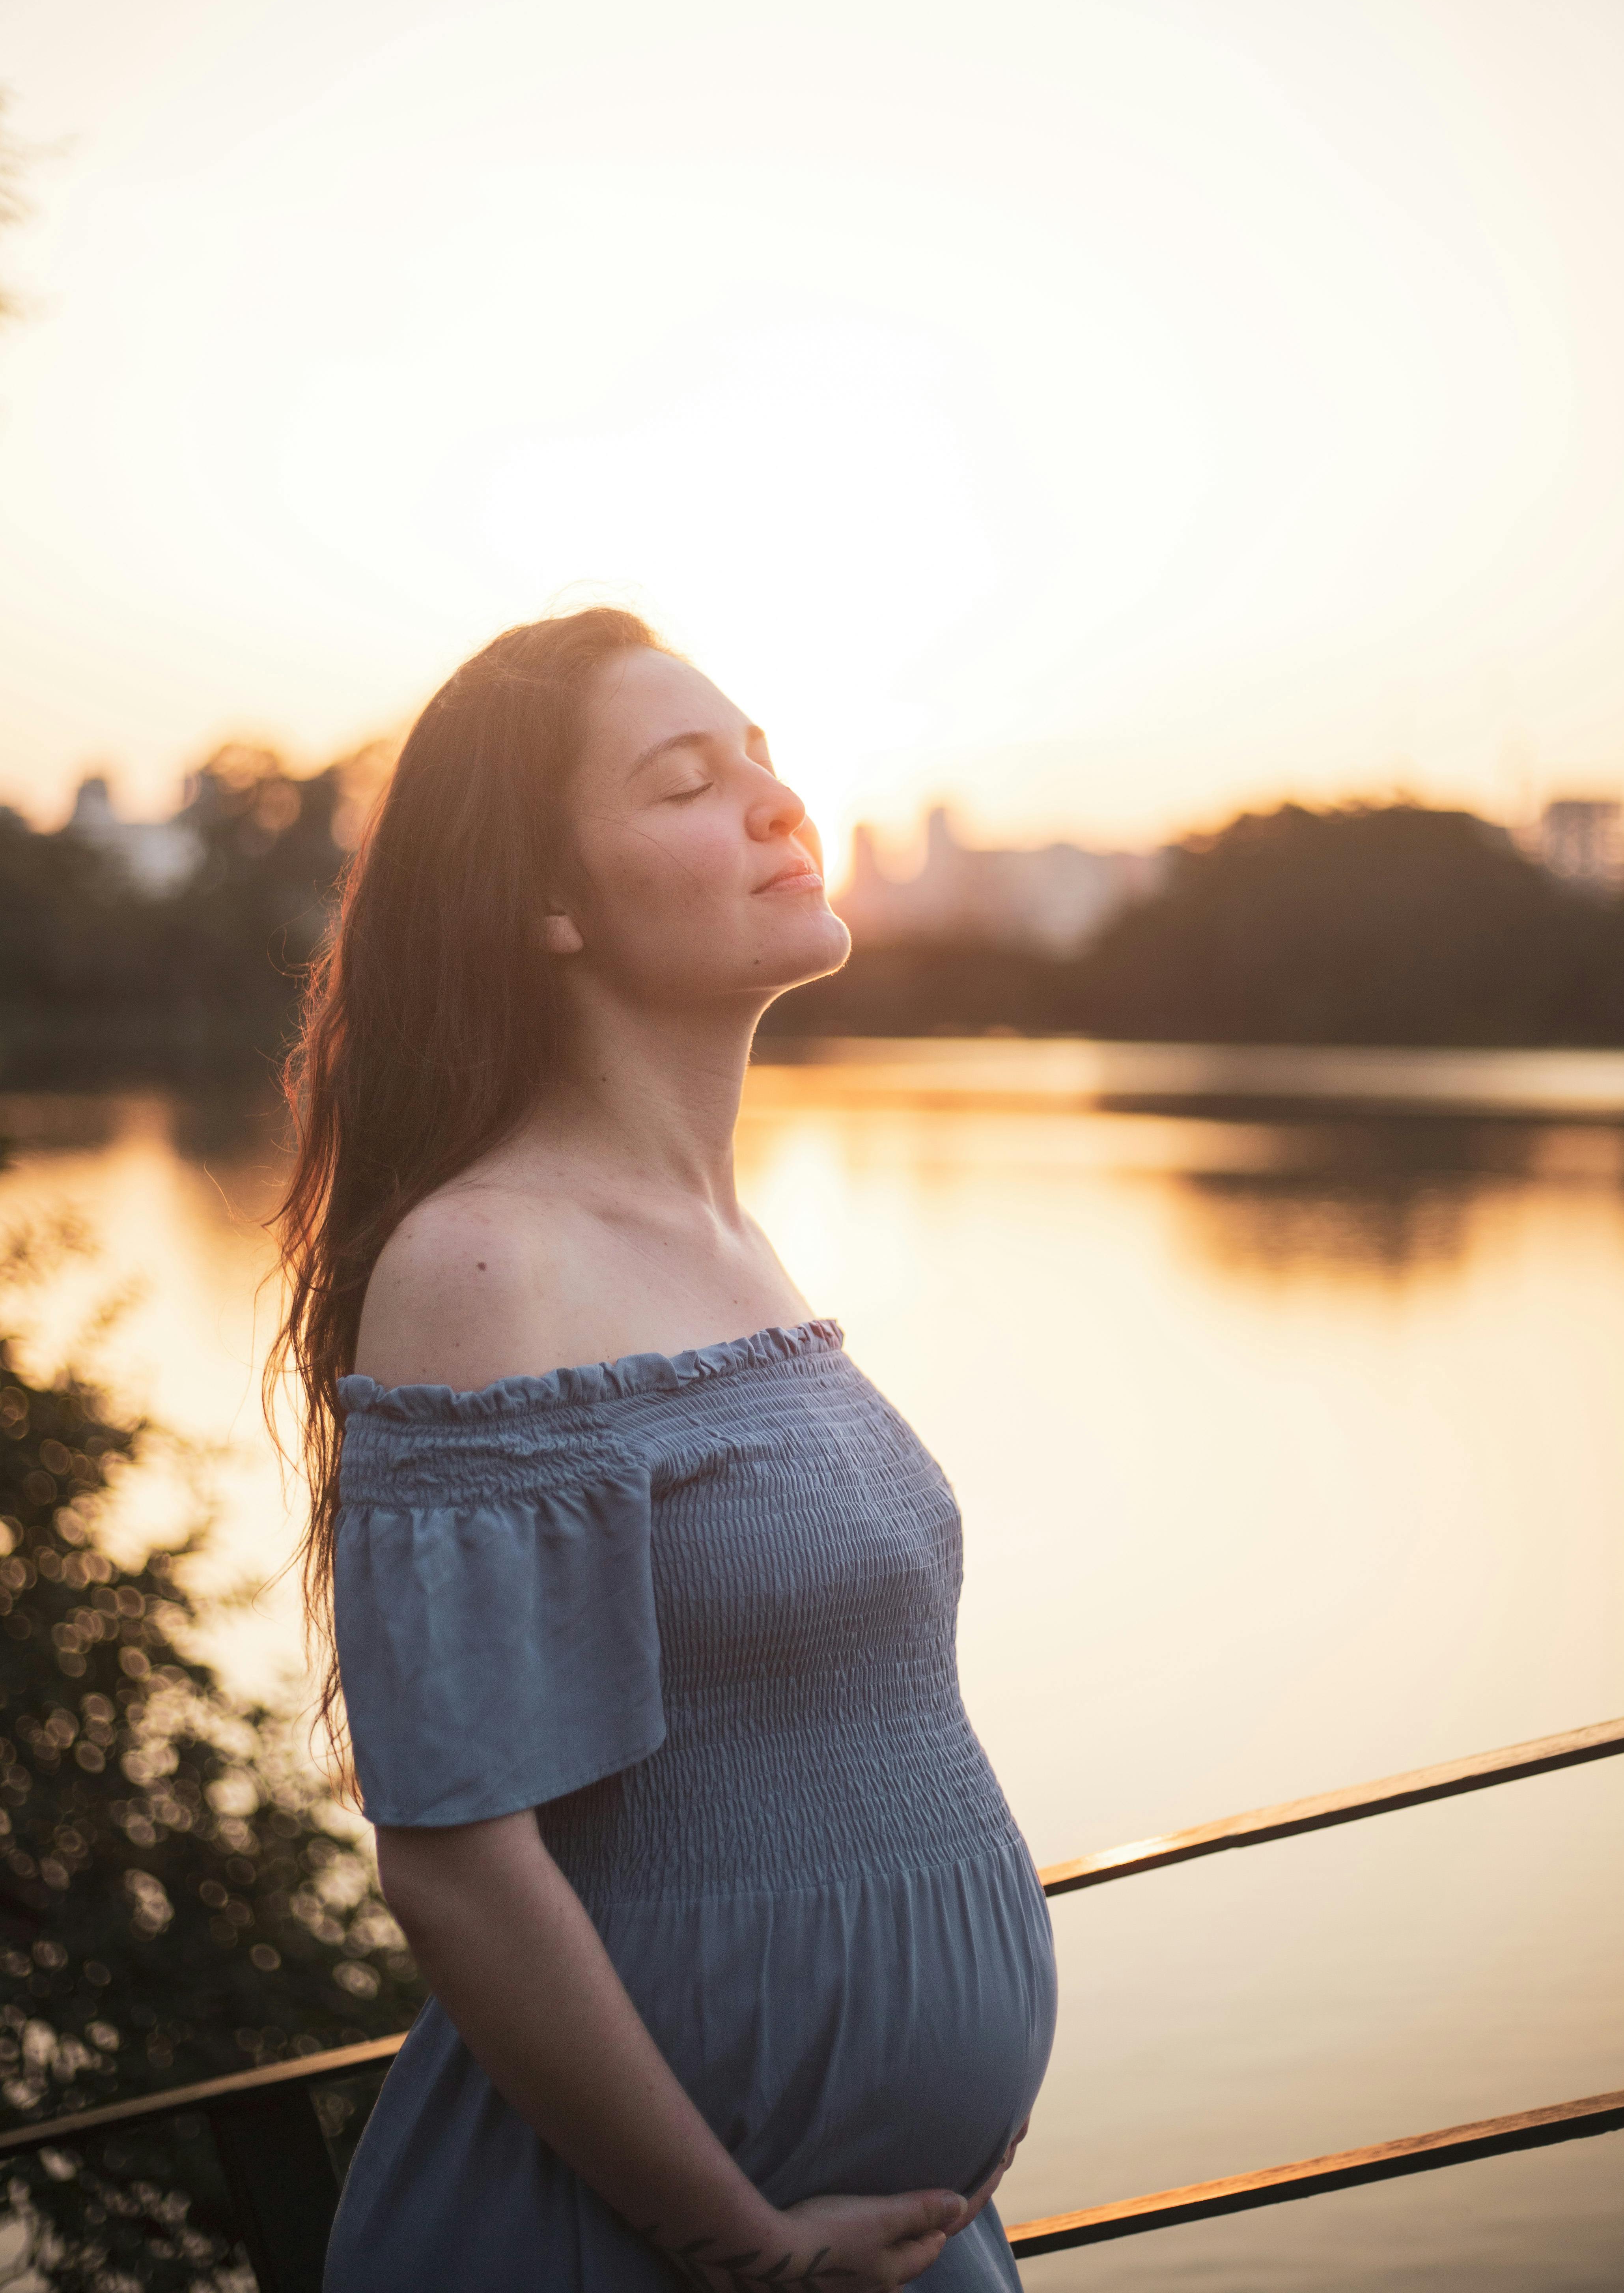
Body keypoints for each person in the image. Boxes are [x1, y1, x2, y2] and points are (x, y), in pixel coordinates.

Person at [270, 608, 1057, 2290]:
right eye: (690, 783)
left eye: (770, 760)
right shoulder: (488, 1265)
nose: (778, 804)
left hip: (883, 2232)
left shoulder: (723, 1240)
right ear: (544, 901)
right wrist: (740, 2245)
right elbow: (459, 1864)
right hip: (648, 2250)